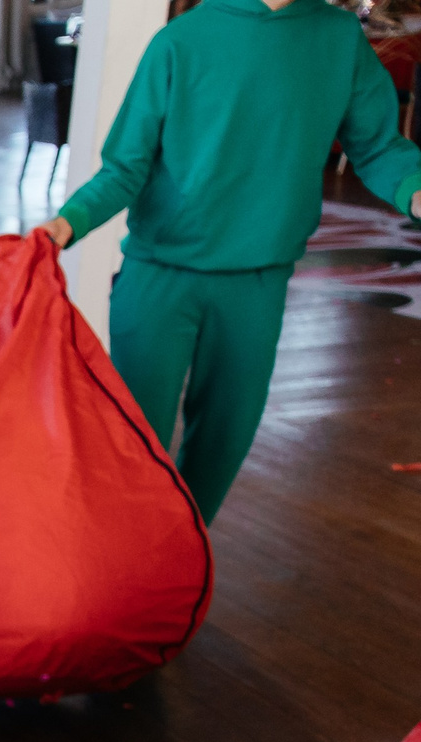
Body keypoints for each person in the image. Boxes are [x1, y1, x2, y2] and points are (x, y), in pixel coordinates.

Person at [36, 0, 421, 523]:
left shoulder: (336, 37)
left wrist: (416, 192)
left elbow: (377, 147)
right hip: (158, 279)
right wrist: (68, 222)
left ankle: (178, 570)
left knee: (223, 441)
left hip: (260, 282)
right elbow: (125, 167)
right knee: (132, 442)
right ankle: (121, 574)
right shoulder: (181, 41)